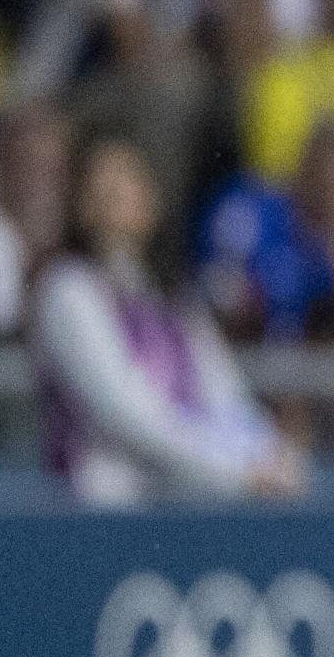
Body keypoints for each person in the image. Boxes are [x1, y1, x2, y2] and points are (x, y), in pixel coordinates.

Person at [32, 134, 304, 505]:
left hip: (180, 504)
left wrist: (268, 451)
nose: (112, 189)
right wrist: (234, 474)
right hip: (100, 511)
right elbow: (128, 414)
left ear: (152, 198)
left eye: (127, 175)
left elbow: (225, 396)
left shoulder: (172, 297)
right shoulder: (68, 290)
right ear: (79, 201)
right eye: (99, 178)